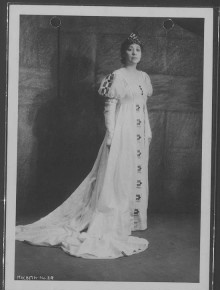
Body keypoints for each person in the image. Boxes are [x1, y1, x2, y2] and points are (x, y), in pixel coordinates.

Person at [16, 33, 153, 259]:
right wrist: (111, 134)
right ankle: (113, 218)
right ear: (123, 53)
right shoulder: (117, 77)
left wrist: (147, 131)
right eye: (130, 49)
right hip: (122, 134)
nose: (134, 53)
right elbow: (109, 107)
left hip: (138, 135)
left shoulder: (144, 78)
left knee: (132, 175)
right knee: (116, 176)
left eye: (138, 49)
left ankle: (130, 219)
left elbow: (143, 107)